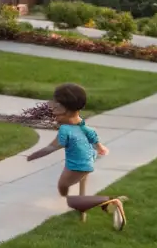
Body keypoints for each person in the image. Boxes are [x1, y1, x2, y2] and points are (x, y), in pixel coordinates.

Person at [25, 83, 127, 230]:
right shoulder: (81, 122)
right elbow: (91, 133)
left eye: (56, 106)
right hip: (88, 158)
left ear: (65, 109)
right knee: (80, 185)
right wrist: (100, 147)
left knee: (63, 187)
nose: (52, 108)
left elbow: (51, 147)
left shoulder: (65, 130)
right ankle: (83, 210)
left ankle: (110, 202)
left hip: (77, 165)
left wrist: (32, 156)